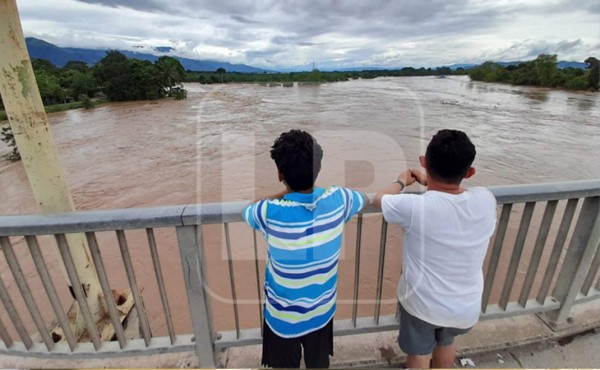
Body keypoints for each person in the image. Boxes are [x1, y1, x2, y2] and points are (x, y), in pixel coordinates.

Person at [242, 129, 368, 368]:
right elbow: (364, 199)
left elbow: (250, 209)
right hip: (321, 311)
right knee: (319, 364)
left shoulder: (269, 212)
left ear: (280, 174)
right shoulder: (339, 199)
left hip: (281, 318)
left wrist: (285, 193)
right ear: (318, 169)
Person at [374, 129, 497, 369]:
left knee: (420, 353)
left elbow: (381, 198)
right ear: (470, 172)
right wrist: (431, 180)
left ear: (424, 162)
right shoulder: (486, 199)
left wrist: (402, 181)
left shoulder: (414, 207)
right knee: (446, 342)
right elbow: (455, 198)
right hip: (465, 307)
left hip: (423, 305)